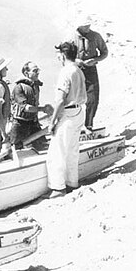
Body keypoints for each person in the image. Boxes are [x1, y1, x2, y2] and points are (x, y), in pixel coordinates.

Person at [46, 41, 87, 198]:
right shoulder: (78, 70)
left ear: (63, 55)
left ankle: (58, 188)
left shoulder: (65, 72)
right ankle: (72, 183)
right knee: (72, 150)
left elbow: (60, 101)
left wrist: (52, 122)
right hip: (78, 112)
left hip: (68, 114)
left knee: (57, 152)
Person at [71, 19, 108, 130]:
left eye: (89, 25)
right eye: (85, 26)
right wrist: (76, 61)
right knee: (74, 99)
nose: (87, 28)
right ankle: (74, 126)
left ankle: (89, 124)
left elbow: (104, 52)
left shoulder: (96, 36)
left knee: (93, 98)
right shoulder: (70, 37)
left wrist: (94, 60)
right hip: (75, 70)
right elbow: (62, 54)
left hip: (91, 70)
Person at [9, 61, 54, 150]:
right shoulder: (19, 87)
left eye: (38, 70)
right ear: (26, 73)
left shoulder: (35, 86)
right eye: (35, 70)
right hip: (20, 125)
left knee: (43, 147)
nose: (38, 72)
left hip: (33, 123)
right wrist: (43, 109)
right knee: (15, 151)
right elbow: (26, 108)